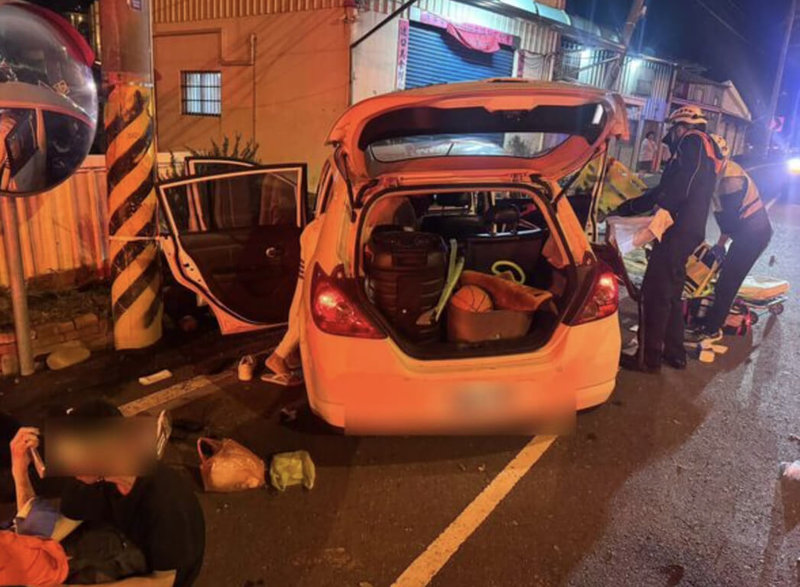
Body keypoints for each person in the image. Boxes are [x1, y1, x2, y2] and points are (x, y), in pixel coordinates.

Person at [9, 400, 206, 586]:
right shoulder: (95, 480)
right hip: (121, 542)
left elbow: (164, 581)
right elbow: (39, 537)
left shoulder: (165, 502)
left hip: (159, 573)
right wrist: (19, 470)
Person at [617, 106, 723, 372]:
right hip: (689, 229)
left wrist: (665, 208)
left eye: (673, 130)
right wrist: (629, 207)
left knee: (654, 293)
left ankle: (648, 359)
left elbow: (681, 186)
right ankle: (674, 354)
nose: (671, 137)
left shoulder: (692, 140)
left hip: (677, 229)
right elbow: (665, 189)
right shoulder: (706, 147)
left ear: (681, 127)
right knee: (672, 293)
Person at [264, 195, 417, 380]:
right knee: (309, 300)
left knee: (302, 293)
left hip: (317, 229)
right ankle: (279, 356)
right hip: (327, 235)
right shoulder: (398, 202)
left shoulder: (385, 193)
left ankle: (289, 353)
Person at [686, 134, 773, 342]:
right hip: (745, 231)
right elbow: (725, 216)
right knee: (724, 278)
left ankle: (712, 330)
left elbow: (729, 219)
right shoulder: (721, 172)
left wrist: (720, 244)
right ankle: (714, 317)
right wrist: (720, 244)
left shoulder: (730, 181)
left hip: (753, 235)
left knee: (727, 282)